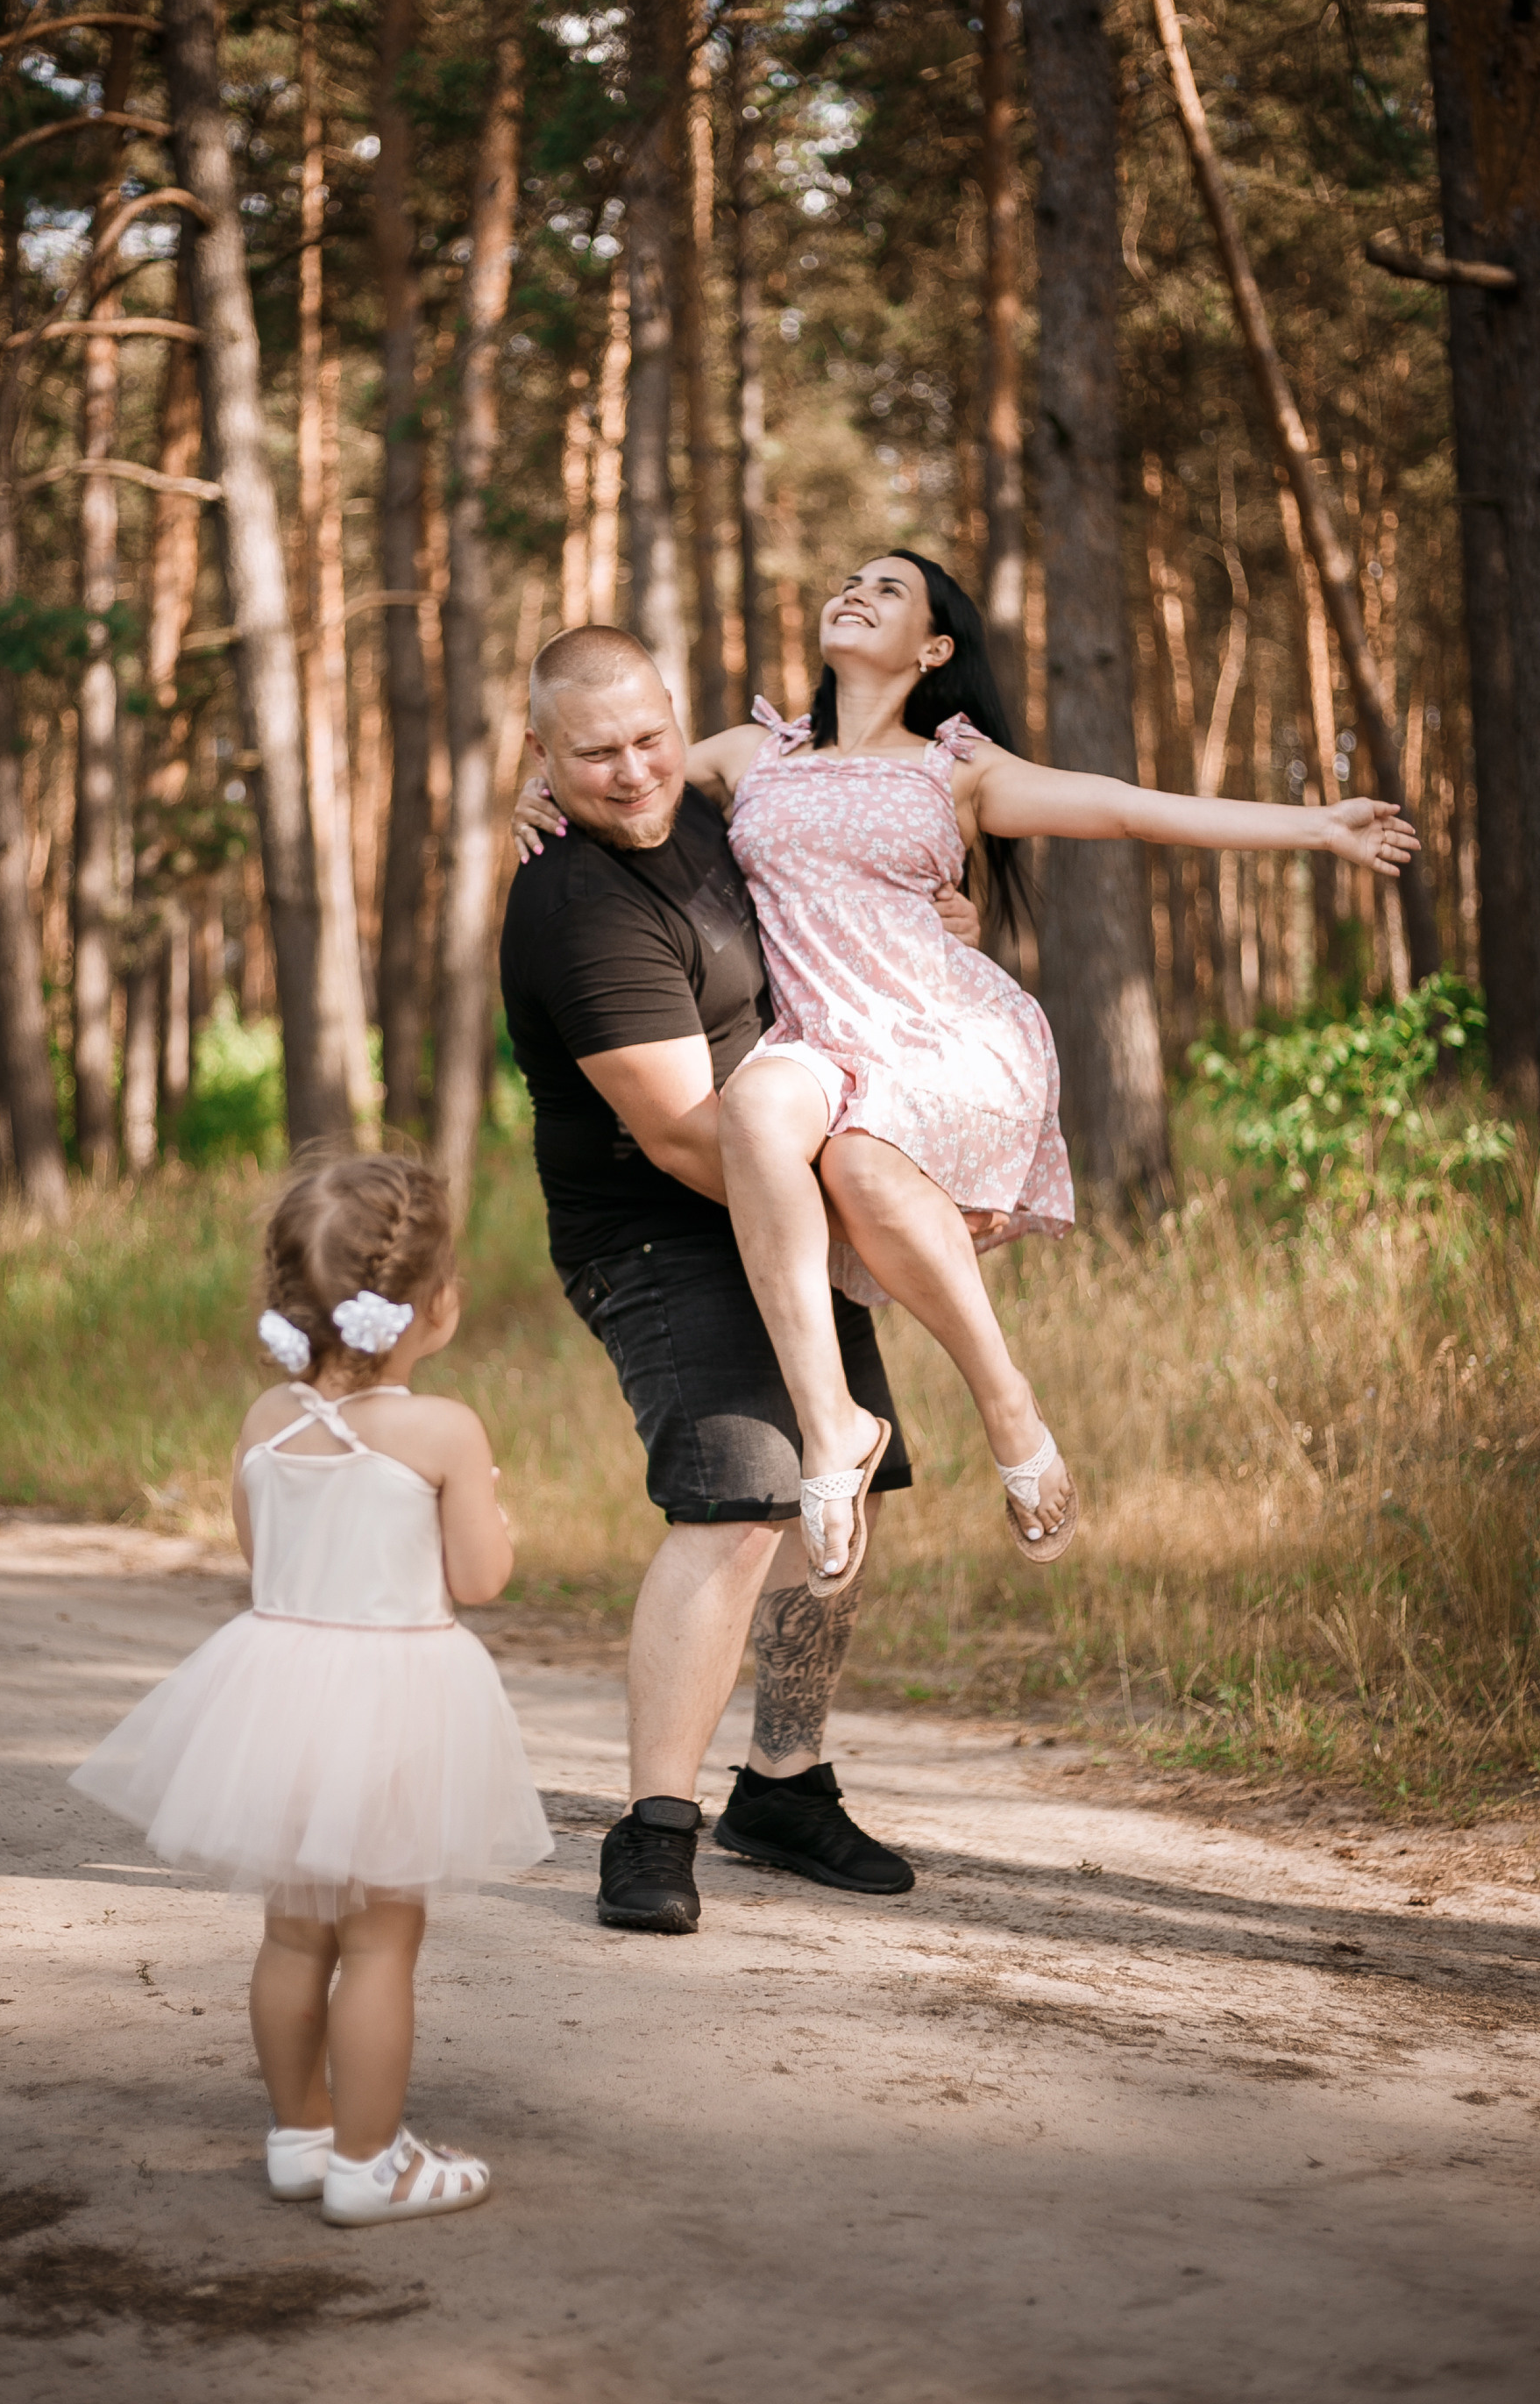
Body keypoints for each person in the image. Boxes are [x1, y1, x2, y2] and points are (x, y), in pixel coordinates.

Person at [526, 551, 1418, 1594]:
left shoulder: (957, 771)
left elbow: (1126, 808)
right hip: (820, 1039)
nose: (857, 589)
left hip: (942, 1031)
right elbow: (617, 757)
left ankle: (1006, 1406)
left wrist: (1315, 827)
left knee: (857, 1168)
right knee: (754, 1110)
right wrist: (524, 795)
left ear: (933, 649)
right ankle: (831, 1429)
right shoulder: (752, 752)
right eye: (850, 578)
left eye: (890, 589)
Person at [501, 627, 983, 1937]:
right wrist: (875, 1206)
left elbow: (838, 901)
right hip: (660, 1231)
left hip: (790, 1196)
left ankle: (783, 1781)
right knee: (740, 1500)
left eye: (649, 738)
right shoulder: (574, 902)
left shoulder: (723, 802)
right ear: (540, 756)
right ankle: (655, 1827)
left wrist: (940, 913)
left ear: (679, 718)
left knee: (843, 1478)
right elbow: (674, 1132)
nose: (630, 772)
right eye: (591, 754)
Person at [70, 1153, 551, 2229]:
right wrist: (493, 1521)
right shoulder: (441, 1432)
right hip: (392, 1704)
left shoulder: (263, 1420)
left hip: (277, 1697)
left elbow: (263, 1561)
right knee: (383, 1940)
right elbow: (478, 1580)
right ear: (433, 1306)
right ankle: (370, 2166)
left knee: (294, 1936)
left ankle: (300, 2135)